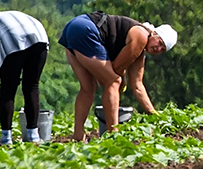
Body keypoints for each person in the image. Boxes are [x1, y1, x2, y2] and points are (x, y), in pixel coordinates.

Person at [55, 11, 177, 141]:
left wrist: (152, 113)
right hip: (86, 29)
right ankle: (113, 134)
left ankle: (78, 135)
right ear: (154, 33)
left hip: (74, 27)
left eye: (162, 49)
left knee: (88, 87)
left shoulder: (140, 51)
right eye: (159, 43)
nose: (158, 48)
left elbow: (137, 86)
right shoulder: (141, 36)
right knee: (114, 81)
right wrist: (120, 84)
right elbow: (117, 68)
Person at [0, 10, 50, 143]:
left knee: (8, 89)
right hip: (39, 36)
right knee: (31, 86)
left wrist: (3, 65)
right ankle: (34, 136)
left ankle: (6, 137)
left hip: (14, 38)